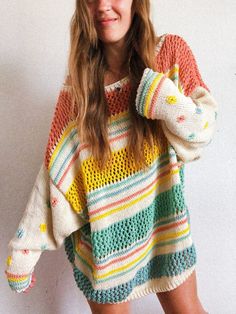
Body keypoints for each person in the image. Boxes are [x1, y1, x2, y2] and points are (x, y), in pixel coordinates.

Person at [5, 0, 218, 313]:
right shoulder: (77, 92)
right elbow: (56, 176)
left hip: (164, 223)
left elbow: (203, 129)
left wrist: (163, 98)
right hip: (104, 246)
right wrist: (25, 249)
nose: (103, 5)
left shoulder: (170, 54)